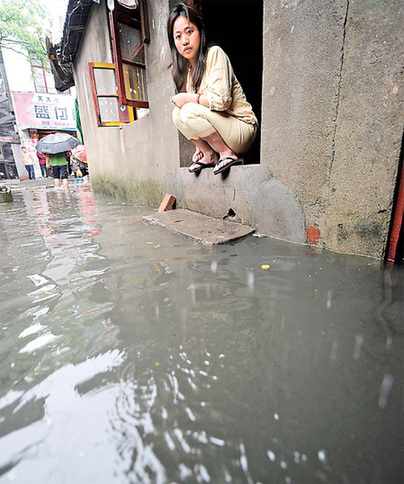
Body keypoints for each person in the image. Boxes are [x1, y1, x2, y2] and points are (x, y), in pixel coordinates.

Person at [167, 3, 258, 175]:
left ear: (200, 32)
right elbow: (199, 114)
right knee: (177, 114)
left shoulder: (215, 54)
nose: (184, 40)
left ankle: (226, 153)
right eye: (178, 36)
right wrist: (199, 145)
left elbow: (222, 102)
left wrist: (188, 98)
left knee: (187, 109)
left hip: (242, 129)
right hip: (224, 130)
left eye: (189, 31)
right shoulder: (190, 73)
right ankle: (209, 154)